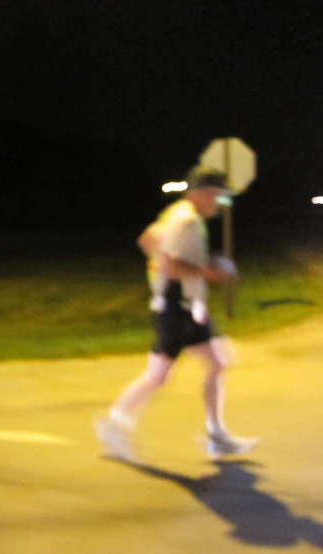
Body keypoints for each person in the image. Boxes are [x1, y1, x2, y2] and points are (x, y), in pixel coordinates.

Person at [94, 165, 259, 461]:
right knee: (157, 377)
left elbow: (147, 240)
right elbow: (170, 266)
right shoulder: (186, 222)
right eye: (216, 195)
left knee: (219, 361)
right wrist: (206, 272)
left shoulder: (177, 214)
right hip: (175, 309)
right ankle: (113, 423)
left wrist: (169, 271)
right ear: (201, 193)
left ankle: (216, 433)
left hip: (187, 306)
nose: (219, 202)